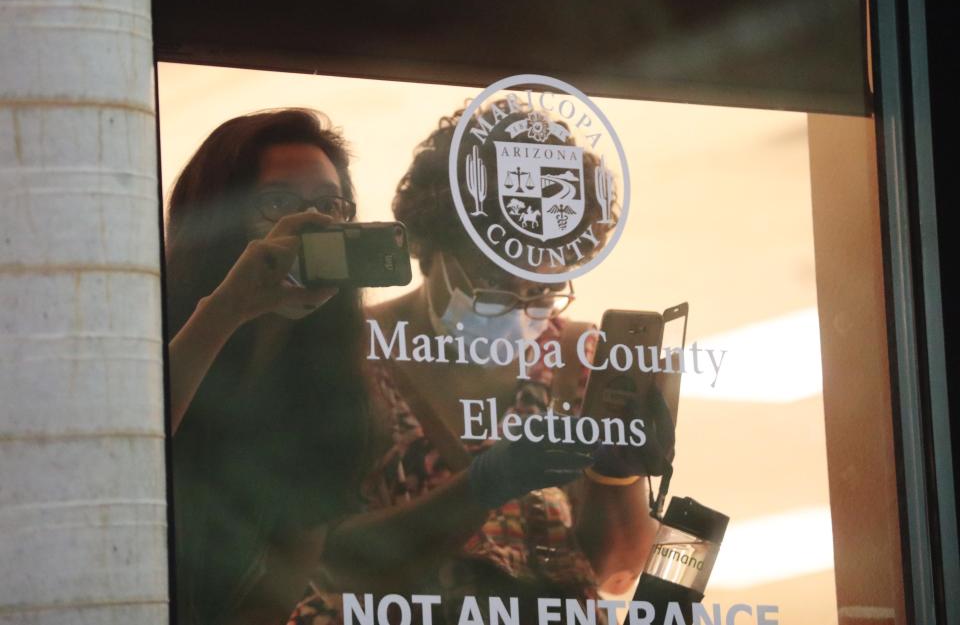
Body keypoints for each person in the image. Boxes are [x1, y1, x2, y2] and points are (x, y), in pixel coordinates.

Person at [301, 102, 667, 625]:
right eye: (493, 286)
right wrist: (482, 486)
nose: (521, 310)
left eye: (542, 290)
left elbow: (613, 574)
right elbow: (325, 564)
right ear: (426, 249)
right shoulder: (348, 355)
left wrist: (620, 475)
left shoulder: (579, 359)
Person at [165, 109, 370, 625]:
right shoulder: (137, 321)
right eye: (276, 203)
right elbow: (121, 457)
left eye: (329, 206)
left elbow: (273, 595)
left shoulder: (326, 385)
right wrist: (227, 308)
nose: (307, 226)